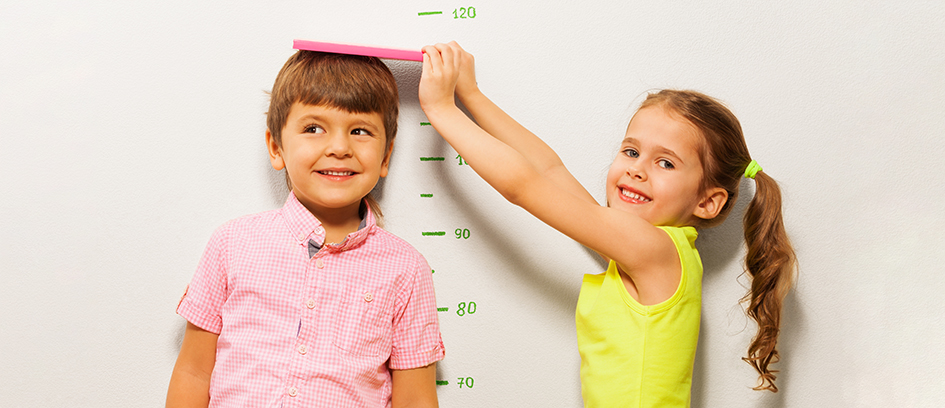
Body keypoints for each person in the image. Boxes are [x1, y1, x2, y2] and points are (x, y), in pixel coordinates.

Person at [418, 42, 795, 407]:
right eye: (631, 151)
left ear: (707, 202)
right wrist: (472, 95)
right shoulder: (646, 250)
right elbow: (549, 171)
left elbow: (525, 187)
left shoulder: (654, 250)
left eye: (665, 163)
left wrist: (442, 109)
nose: (636, 169)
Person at [166, 50, 445, 408]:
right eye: (314, 128)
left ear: (385, 156)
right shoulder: (231, 244)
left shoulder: (406, 269)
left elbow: (416, 398)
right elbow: (193, 372)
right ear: (276, 147)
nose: (339, 147)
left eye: (360, 131)